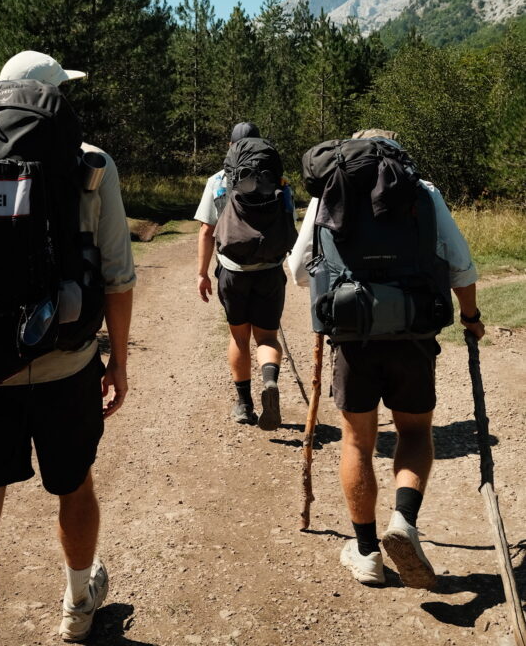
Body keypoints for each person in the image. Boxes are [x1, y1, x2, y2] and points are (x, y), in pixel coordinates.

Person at [0, 51, 135, 646]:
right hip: (65, 361)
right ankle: (79, 604)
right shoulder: (92, 165)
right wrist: (119, 362)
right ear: (55, 101)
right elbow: (118, 276)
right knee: (75, 486)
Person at [289, 129, 484, 589]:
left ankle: (366, 553)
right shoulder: (424, 192)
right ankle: (404, 522)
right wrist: (471, 317)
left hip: (353, 337)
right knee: (415, 431)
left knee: (357, 442)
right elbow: (462, 266)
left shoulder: (330, 190)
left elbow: (298, 272)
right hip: (413, 333)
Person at [195, 121, 293, 430]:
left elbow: (206, 231)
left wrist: (202, 273)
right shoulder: (280, 180)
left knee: (239, 336)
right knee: (266, 336)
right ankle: (270, 380)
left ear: (231, 147)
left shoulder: (219, 180)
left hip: (233, 271)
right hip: (270, 270)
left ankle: (244, 404)